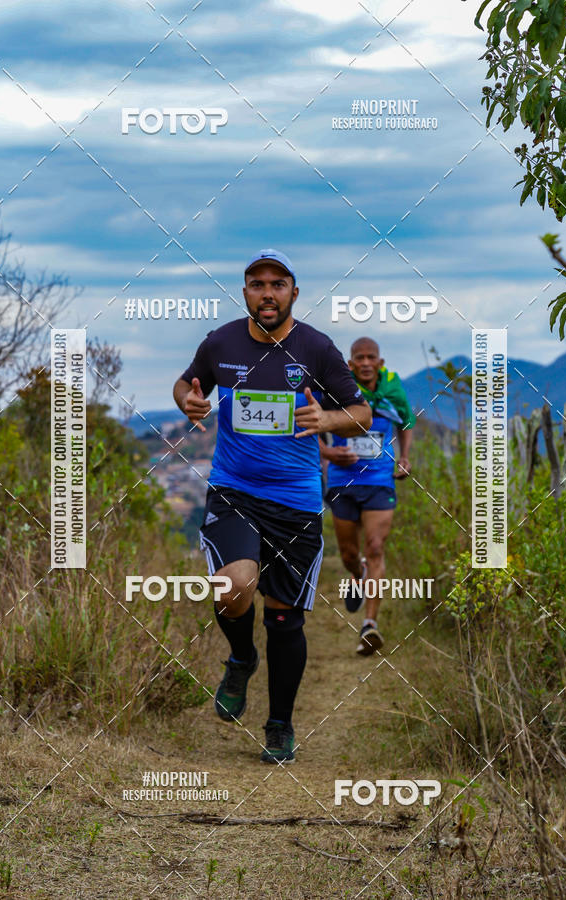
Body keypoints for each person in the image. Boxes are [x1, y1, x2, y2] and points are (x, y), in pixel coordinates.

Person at [173, 250, 371, 763]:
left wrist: (327, 421)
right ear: (245, 292)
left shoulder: (317, 349)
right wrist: (187, 402)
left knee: (284, 619)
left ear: (293, 293)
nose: (267, 292)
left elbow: (361, 413)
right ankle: (241, 658)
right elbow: (186, 382)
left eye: (277, 284)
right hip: (234, 490)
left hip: (296, 501)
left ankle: (279, 724)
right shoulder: (221, 342)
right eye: (257, 283)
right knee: (232, 585)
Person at [319, 337, 415, 655]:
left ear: (380, 362)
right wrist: (330, 453)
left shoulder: (391, 392)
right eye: (358, 357)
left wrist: (404, 456)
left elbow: (407, 420)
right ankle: (357, 575)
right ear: (350, 364)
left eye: (370, 357)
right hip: (342, 482)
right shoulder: (336, 393)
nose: (364, 363)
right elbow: (312, 427)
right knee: (349, 553)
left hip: (379, 481)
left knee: (375, 547)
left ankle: (369, 625)